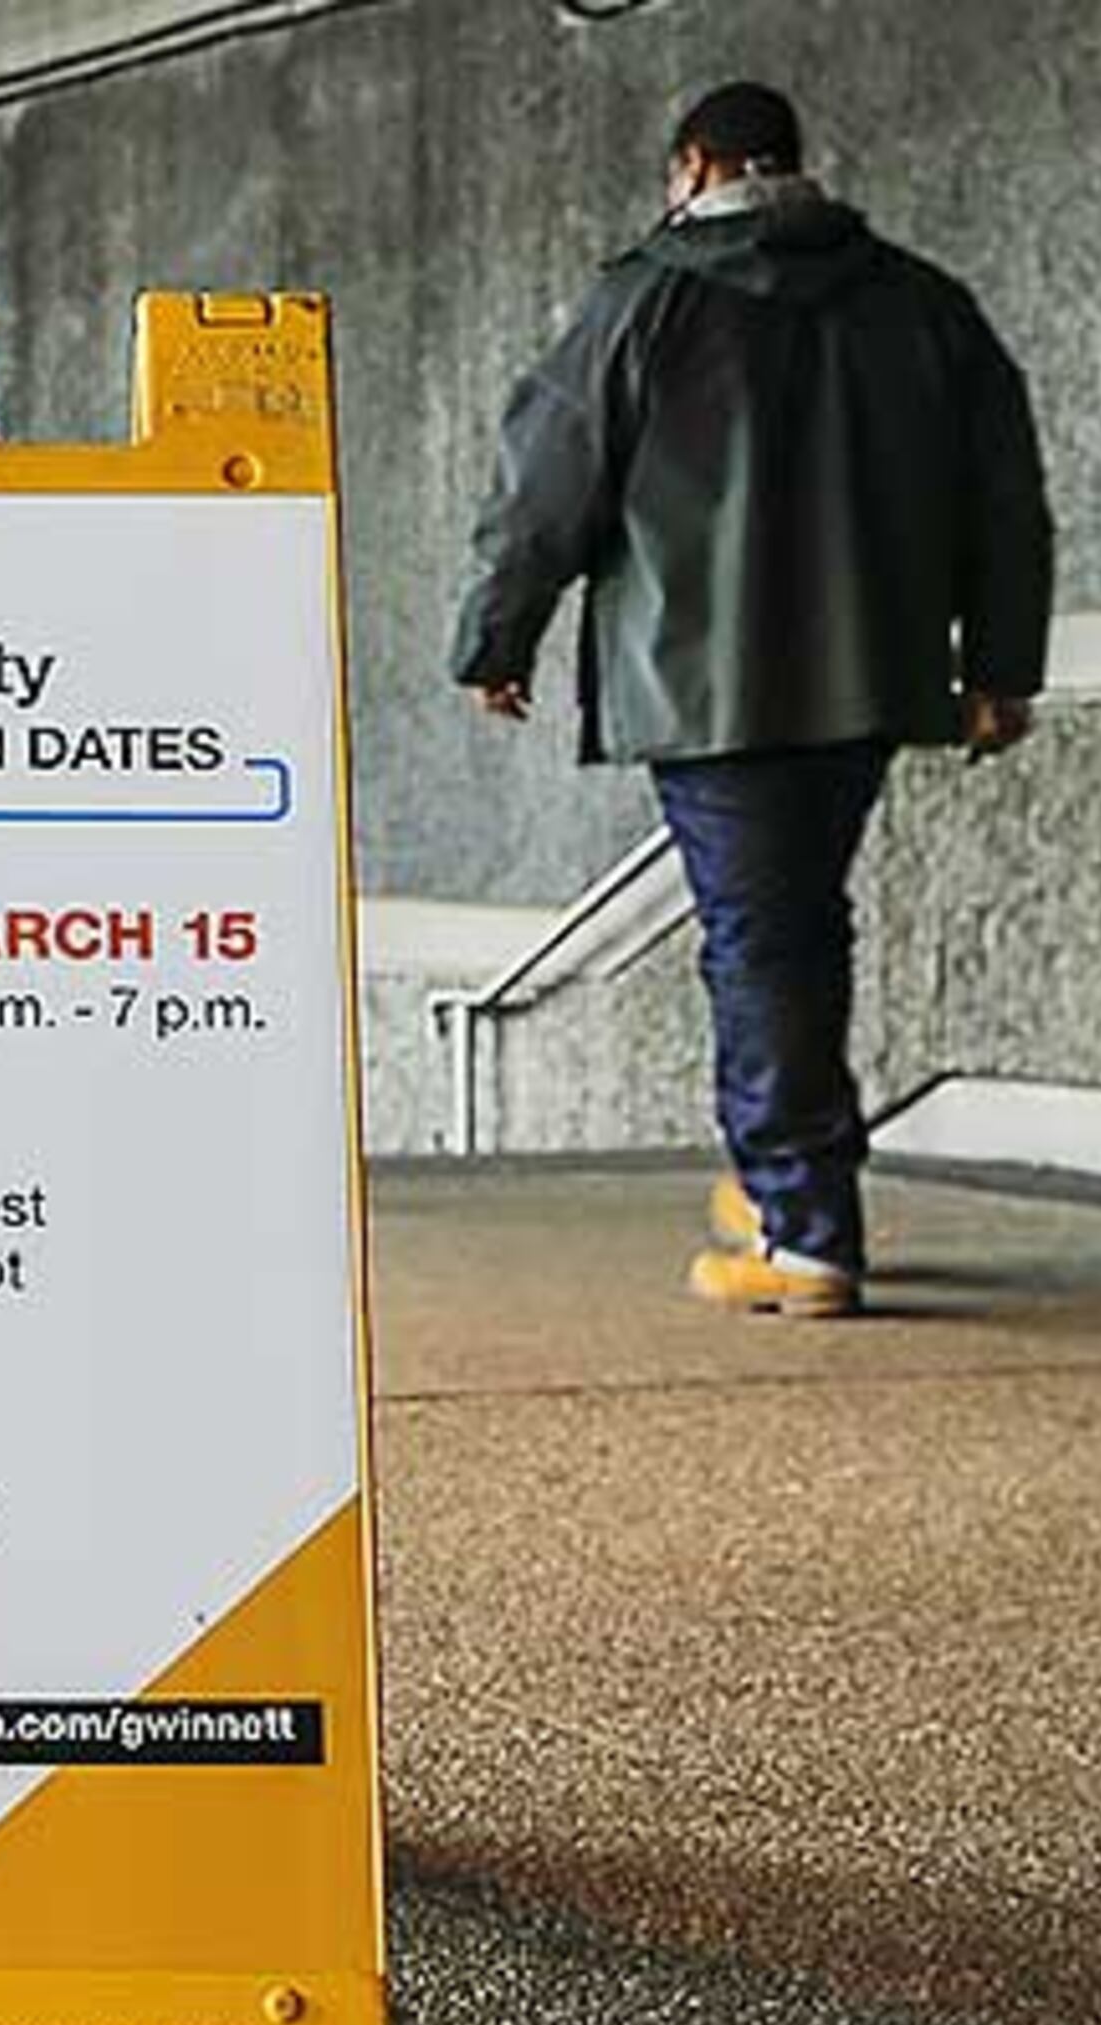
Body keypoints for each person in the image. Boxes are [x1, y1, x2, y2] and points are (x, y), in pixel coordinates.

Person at [448, 80, 1054, 1318]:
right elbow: (1005, 498)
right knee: (794, 926)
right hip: (872, 675)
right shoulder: (921, 302)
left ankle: (807, 1231)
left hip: (706, 682)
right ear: (794, 165)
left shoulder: (642, 303)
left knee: (760, 939)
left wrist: (496, 638)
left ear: (693, 164)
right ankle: (786, 1173)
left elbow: (544, 491)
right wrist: (999, 664)